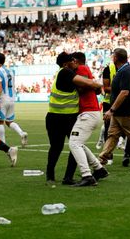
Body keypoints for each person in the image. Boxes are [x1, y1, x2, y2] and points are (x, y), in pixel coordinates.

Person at [45, 52, 101, 184]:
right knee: (65, 146)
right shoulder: (66, 72)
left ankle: (57, 176)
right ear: (66, 64)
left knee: (65, 146)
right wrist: (98, 85)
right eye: (72, 61)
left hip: (60, 117)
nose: (75, 62)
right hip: (60, 118)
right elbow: (88, 83)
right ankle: (63, 176)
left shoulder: (64, 72)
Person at [67, 52, 109, 187]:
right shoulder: (85, 70)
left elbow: (86, 85)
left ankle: (87, 175)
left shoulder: (81, 69)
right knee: (79, 143)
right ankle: (99, 169)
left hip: (88, 112)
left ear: (75, 61)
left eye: (71, 61)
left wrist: (72, 83)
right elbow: (95, 88)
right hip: (90, 112)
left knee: (74, 143)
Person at [0, 52, 28, 147]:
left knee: (0, 121)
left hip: (3, 99)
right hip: (12, 98)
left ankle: (2, 143)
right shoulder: (11, 71)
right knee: (9, 121)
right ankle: (22, 133)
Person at [96, 61, 124, 154]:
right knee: (107, 128)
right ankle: (108, 155)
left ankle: (125, 149)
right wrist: (123, 90)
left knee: (126, 126)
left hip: (123, 102)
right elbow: (106, 88)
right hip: (108, 102)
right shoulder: (108, 69)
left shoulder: (127, 69)